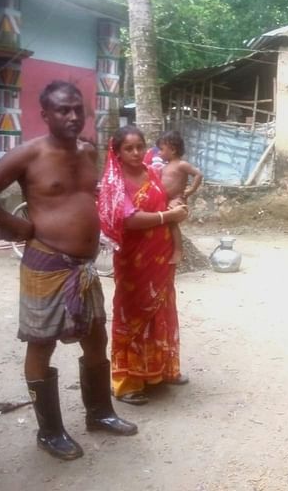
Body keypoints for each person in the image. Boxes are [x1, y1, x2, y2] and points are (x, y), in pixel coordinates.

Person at [0, 81, 137, 461]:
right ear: (45, 115)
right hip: (46, 264)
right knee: (42, 344)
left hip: (84, 269)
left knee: (95, 337)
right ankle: (50, 432)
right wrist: (21, 227)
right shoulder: (28, 155)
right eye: (62, 110)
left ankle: (100, 413)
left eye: (78, 108)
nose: (73, 116)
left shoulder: (90, 151)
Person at [98, 126, 189, 405]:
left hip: (161, 254)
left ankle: (160, 371)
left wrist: (177, 204)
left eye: (140, 146)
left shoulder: (152, 173)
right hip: (134, 258)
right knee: (133, 311)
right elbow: (129, 219)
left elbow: (166, 198)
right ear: (117, 152)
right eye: (129, 148)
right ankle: (127, 382)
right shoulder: (114, 182)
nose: (136, 153)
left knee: (162, 309)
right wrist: (168, 215)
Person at [157, 130, 203, 264]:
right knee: (162, 222)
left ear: (172, 149)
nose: (159, 153)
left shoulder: (181, 164)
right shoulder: (165, 167)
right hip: (166, 200)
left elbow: (198, 174)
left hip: (177, 199)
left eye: (161, 149)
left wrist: (191, 190)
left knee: (172, 222)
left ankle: (178, 251)